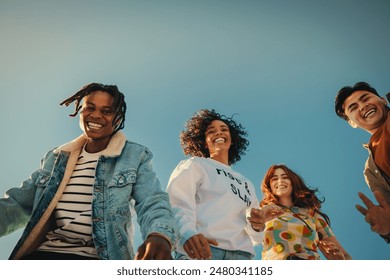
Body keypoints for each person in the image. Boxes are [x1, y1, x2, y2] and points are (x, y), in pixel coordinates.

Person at [0, 83, 177, 260]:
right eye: (89, 108)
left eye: (107, 111)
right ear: (80, 112)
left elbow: (152, 201)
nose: (96, 115)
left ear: (118, 118)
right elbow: (18, 204)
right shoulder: (56, 159)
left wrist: (159, 235)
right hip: (40, 257)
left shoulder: (134, 156)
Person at [166, 109, 263, 260]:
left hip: (242, 257)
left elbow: (256, 236)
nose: (219, 133)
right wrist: (187, 234)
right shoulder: (195, 164)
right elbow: (177, 202)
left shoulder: (246, 183)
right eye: (211, 131)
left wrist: (258, 226)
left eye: (224, 130)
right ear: (203, 141)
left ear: (232, 138)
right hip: (202, 252)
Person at [249, 164, 351, 260]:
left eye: (285, 177)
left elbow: (345, 255)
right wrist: (257, 224)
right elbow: (248, 236)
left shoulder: (311, 214)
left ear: (293, 182)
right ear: (269, 186)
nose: (280, 181)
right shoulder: (264, 211)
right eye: (274, 179)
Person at [335, 82, 390, 242]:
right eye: (353, 107)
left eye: (365, 99)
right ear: (351, 122)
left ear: (383, 100)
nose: (363, 106)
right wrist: (387, 230)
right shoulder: (370, 171)